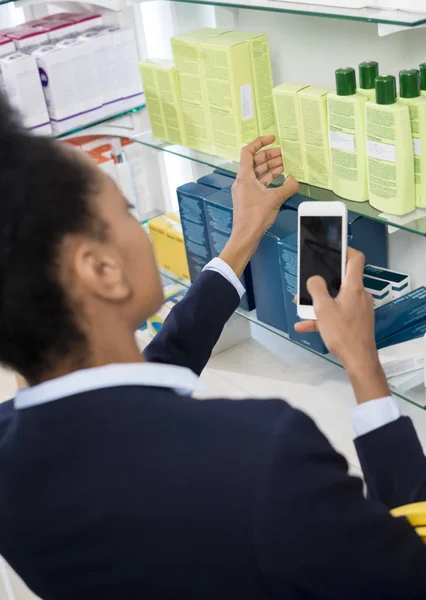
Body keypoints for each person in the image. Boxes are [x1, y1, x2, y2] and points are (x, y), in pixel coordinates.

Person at [0, 92, 425, 600]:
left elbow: (129, 392)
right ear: (102, 270)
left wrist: (244, 233)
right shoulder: (264, 456)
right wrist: (364, 366)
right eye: (128, 212)